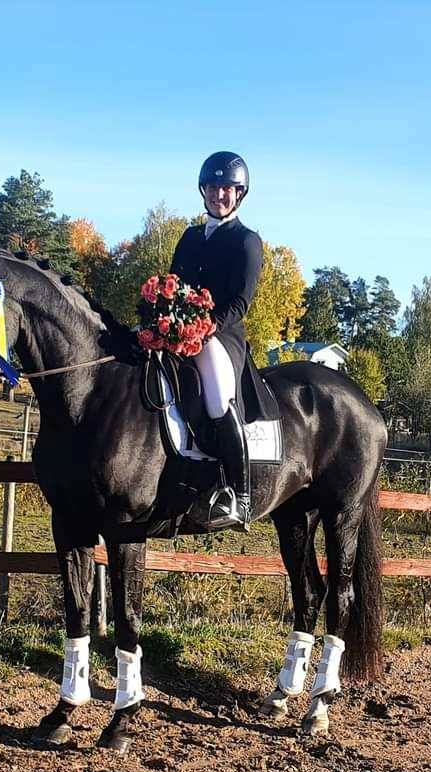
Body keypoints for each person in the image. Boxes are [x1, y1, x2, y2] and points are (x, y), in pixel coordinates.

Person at [169, 151, 265, 530]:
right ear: (203, 191)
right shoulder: (190, 237)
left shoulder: (246, 241)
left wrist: (204, 328)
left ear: (238, 194)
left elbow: (240, 301)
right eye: (213, 187)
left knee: (218, 394)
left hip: (220, 337)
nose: (218, 194)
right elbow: (172, 284)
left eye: (227, 188)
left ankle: (239, 497)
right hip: (178, 332)